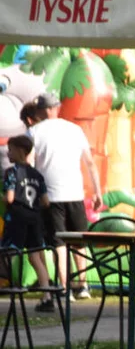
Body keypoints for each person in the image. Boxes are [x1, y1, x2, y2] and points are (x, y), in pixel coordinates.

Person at [28, 93, 102, 306]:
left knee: (58, 243)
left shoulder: (34, 132)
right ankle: (83, 285)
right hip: (75, 193)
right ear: (57, 108)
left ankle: (63, 287)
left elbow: (31, 165)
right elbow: (89, 162)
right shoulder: (74, 130)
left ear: (42, 110)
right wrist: (97, 191)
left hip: (49, 196)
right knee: (78, 241)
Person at [1, 135, 52, 297]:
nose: (8, 154)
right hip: (34, 219)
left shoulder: (11, 173)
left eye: (10, 150)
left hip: (16, 219)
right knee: (35, 256)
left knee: (7, 253)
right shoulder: (37, 174)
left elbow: (9, 198)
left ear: (20, 151)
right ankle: (47, 294)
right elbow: (46, 202)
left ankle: (6, 283)